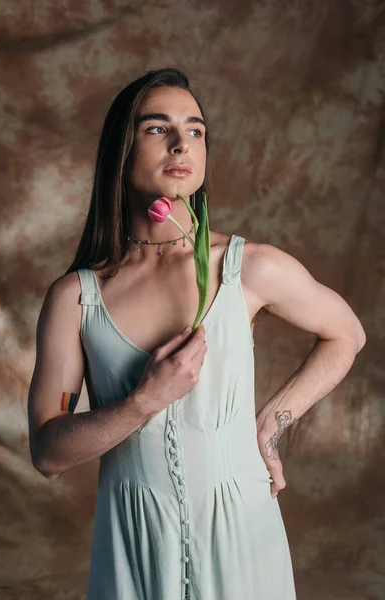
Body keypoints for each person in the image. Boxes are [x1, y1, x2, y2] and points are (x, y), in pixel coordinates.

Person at [27, 67, 366, 600]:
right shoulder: (76, 298)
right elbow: (48, 453)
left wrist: (269, 430)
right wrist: (142, 402)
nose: (183, 142)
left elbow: (347, 333)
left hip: (244, 539)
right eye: (157, 128)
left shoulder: (248, 267)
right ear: (122, 148)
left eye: (197, 130)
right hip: (135, 548)